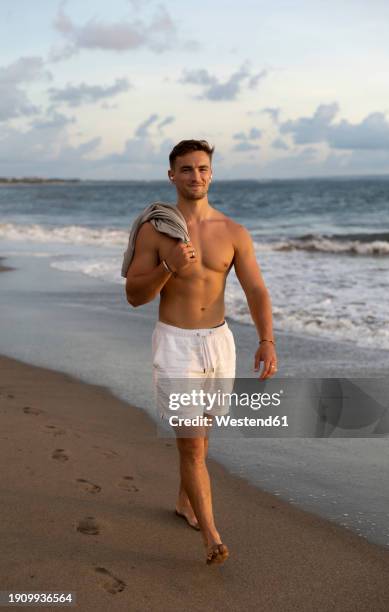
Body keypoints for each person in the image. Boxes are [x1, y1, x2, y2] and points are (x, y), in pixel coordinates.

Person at [125, 139, 277, 565]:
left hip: (219, 343)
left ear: (212, 173)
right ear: (171, 175)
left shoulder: (233, 232)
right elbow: (134, 294)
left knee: (202, 436)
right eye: (187, 169)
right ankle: (211, 535)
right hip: (176, 344)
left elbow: (256, 290)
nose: (196, 176)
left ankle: (183, 501)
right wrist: (168, 266)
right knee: (192, 447)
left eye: (203, 168)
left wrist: (267, 340)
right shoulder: (156, 231)